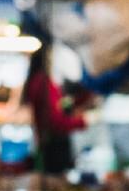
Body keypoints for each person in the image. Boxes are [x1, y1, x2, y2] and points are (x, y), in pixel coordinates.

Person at [23, 44, 86, 175]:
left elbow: (56, 108)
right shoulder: (43, 83)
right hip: (53, 148)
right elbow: (54, 120)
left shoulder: (38, 81)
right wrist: (82, 121)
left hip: (46, 144)